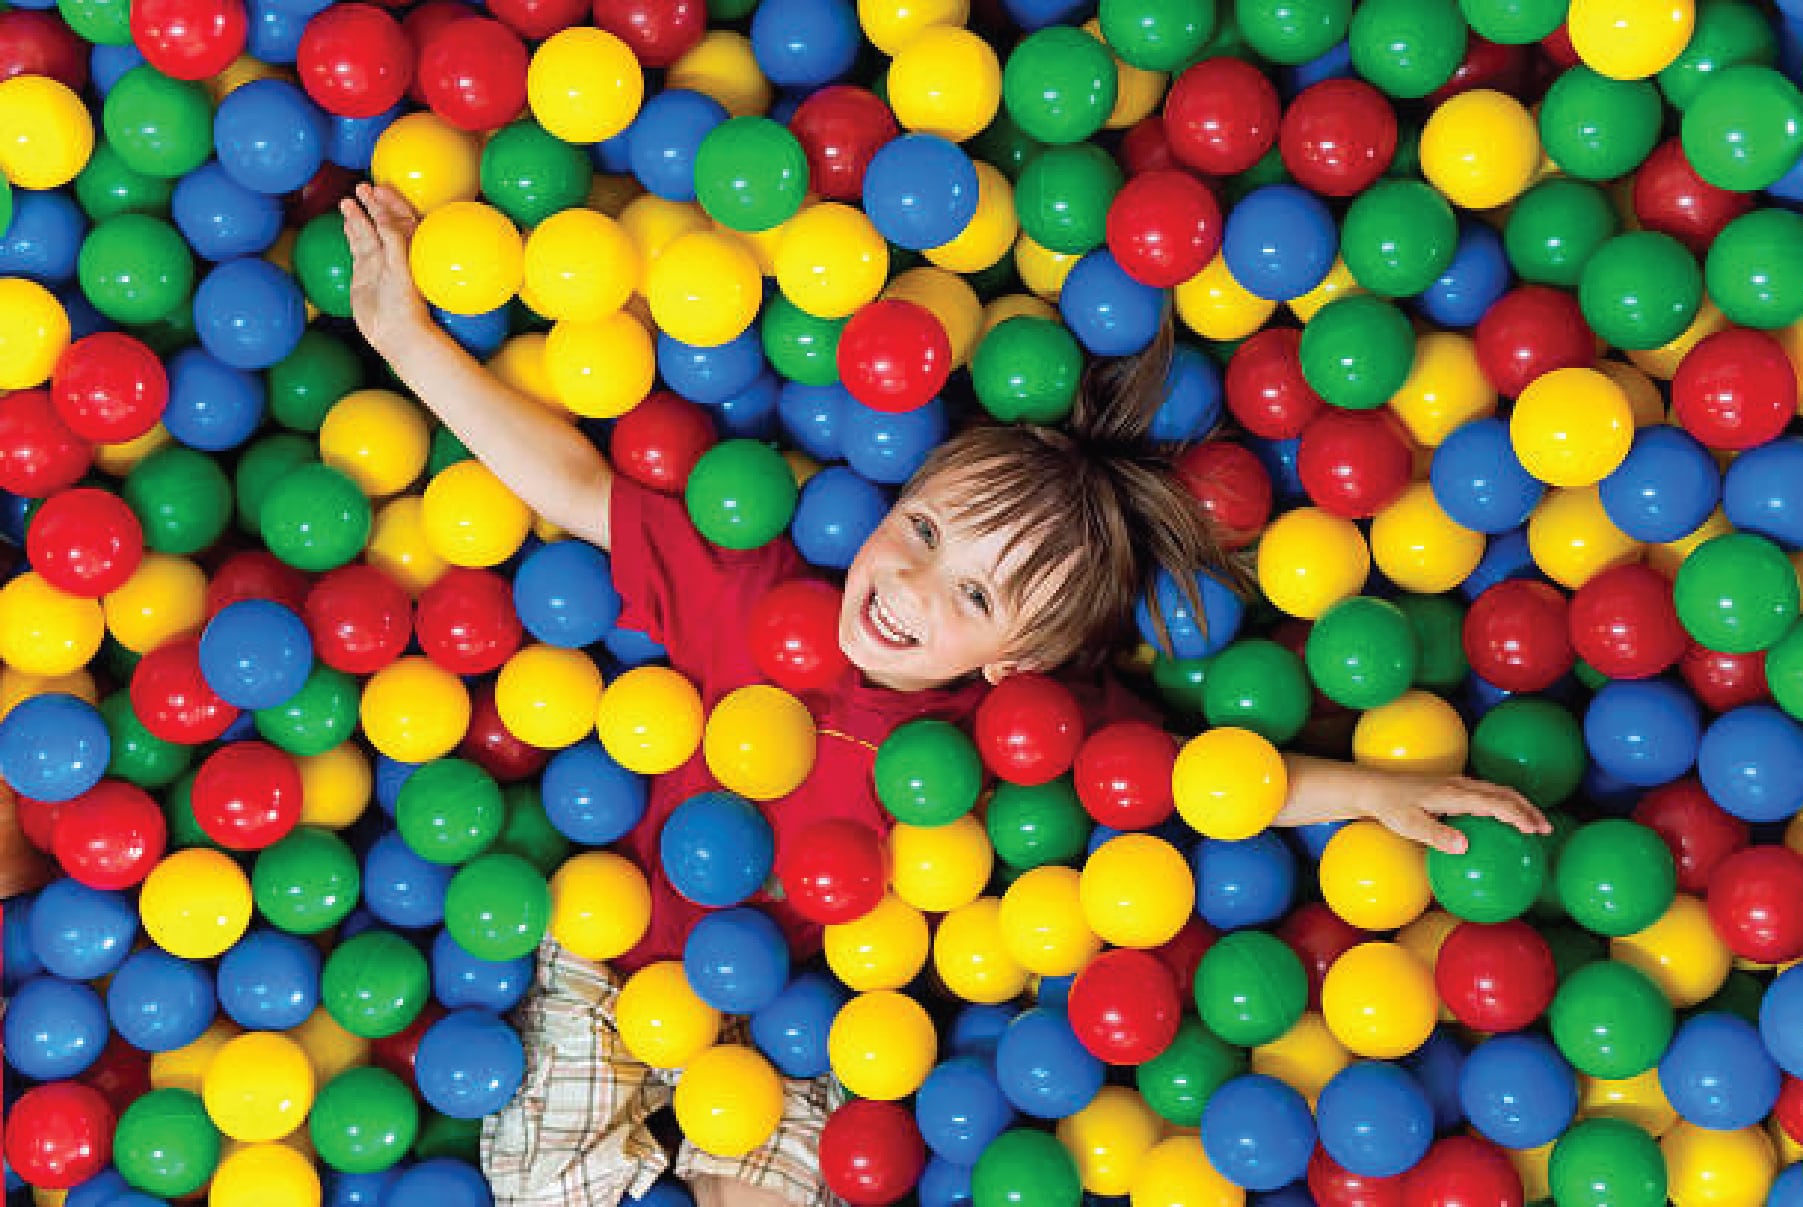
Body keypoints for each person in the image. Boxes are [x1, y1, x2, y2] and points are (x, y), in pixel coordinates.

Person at [341, 184, 1547, 1207]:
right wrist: (409, 342)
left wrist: (1383, 791)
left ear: (1015, 661)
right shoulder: (764, 599)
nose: (911, 583)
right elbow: (577, 484)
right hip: (621, 954)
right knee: (539, 1176)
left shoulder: (1023, 736)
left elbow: (1209, 786)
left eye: (973, 596)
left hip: (811, 1012)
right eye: (918, 527)